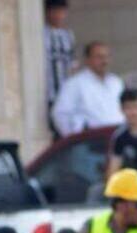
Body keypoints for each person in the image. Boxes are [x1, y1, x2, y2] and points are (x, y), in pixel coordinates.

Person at [51, 41, 125, 137]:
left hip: (117, 137)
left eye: (107, 56)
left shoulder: (116, 82)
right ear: (87, 60)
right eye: (99, 57)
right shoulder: (75, 83)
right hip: (91, 141)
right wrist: (74, 139)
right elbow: (60, 114)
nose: (104, 61)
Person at [44, 0, 77, 138]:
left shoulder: (68, 35)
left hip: (65, 90)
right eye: (55, 11)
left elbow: (72, 63)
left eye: (61, 11)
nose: (58, 15)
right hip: (49, 92)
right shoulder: (42, 34)